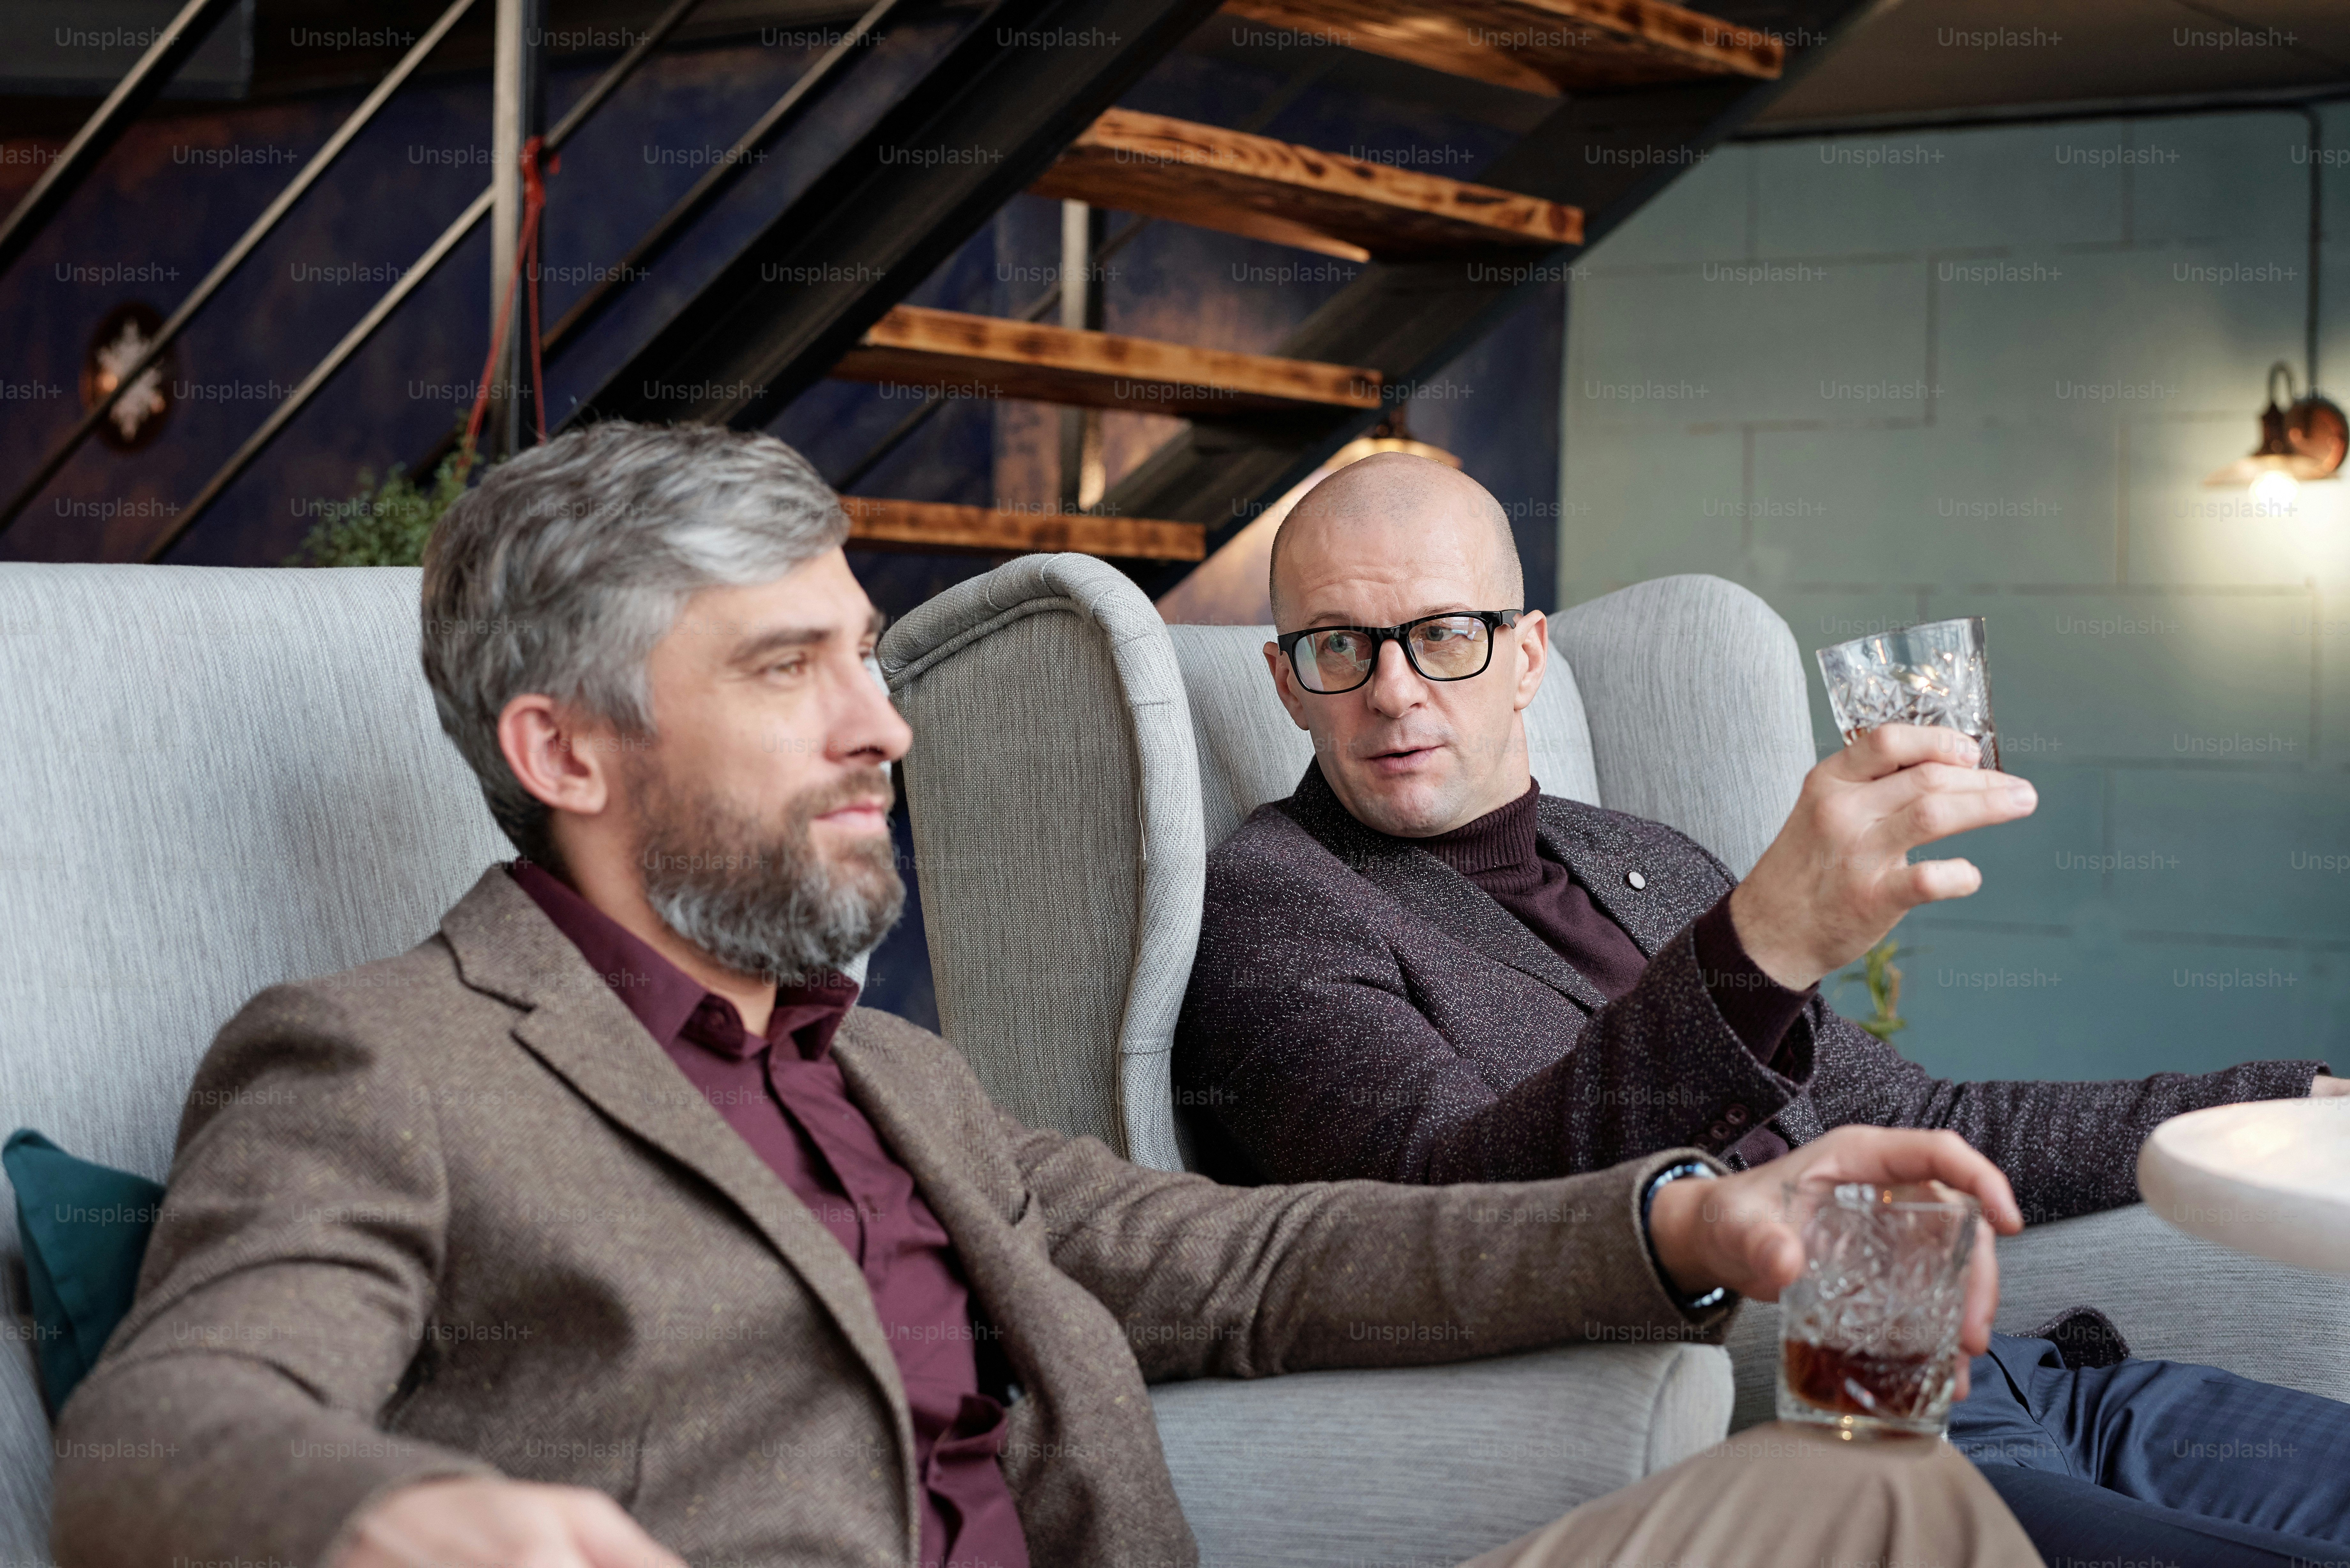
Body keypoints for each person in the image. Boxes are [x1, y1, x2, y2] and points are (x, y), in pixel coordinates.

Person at [50, 423, 2040, 1568]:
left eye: (867, 657)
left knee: (1869, 1506)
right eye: (786, 672)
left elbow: (1265, 1268)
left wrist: (1690, 1217)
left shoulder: (899, 1080)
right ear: (565, 752)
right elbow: (168, 1422)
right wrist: (401, 1519)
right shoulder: (386, 1059)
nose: (882, 727)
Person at [1172, 449, 2350, 1564]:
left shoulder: (1635, 855)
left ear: (1527, 655)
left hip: (2025, 1377)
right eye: (1339, 647)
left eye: (1443, 636)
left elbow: (1928, 1112)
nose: (1392, 691)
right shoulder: (1277, 911)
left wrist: (2280, 1099)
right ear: (1286, 682)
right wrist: (1759, 947)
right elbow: (1457, 1218)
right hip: (1828, 1437)